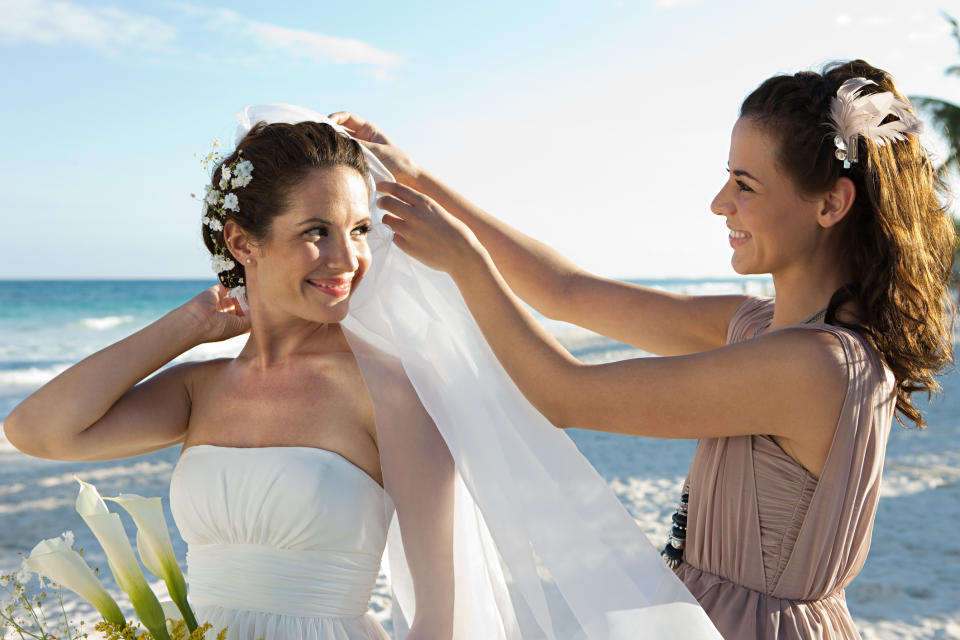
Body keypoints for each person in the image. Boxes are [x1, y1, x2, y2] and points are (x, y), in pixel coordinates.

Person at [5, 106, 723, 639]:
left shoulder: (391, 386)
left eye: (358, 231)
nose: (347, 260)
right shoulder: (201, 389)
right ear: (241, 241)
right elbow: (36, 430)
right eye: (317, 232)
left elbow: (441, 616)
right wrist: (190, 323)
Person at [334, 58, 956, 639]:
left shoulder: (815, 364)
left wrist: (465, 264)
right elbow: (565, 290)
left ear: (830, 204)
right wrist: (416, 181)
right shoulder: (762, 330)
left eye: (745, 185)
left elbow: (564, 393)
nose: (720, 204)